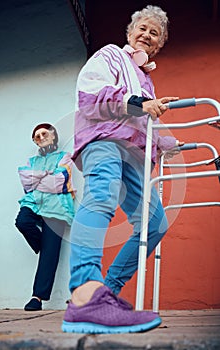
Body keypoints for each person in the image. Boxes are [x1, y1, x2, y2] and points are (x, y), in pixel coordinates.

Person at [62, 5, 184, 333]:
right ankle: (86, 293)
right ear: (130, 33)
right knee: (101, 195)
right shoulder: (111, 55)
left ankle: (107, 294)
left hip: (134, 153)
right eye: (141, 28)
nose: (146, 34)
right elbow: (91, 94)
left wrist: (173, 146)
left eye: (153, 33)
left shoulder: (146, 81)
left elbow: (148, 122)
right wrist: (139, 104)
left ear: (158, 45)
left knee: (154, 222)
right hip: (102, 137)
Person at [15, 123, 75, 311]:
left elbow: (59, 182)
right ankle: (46, 248)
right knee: (22, 222)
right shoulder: (31, 161)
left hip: (57, 207)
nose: (40, 138)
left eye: (44, 134)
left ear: (53, 136)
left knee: (50, 254)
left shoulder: (64, 157)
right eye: (37, 136)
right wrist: (45, 175)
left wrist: (37, 179)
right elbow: (25, 181)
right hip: (33, 204)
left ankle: (37, 297)